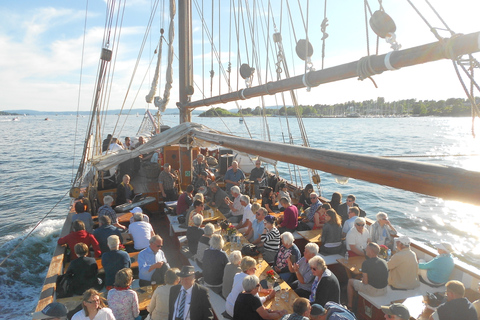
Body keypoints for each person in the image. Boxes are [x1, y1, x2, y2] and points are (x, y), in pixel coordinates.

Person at [347, 242, 388, 309]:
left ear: (371, 252)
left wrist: (362, 279)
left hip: (373, 291)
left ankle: (349, 306)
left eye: (367, 249)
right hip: (384, 290)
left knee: (350, 281)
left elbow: (365, 282)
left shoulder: (366, 263)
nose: (365, 250)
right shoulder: (384, 261)